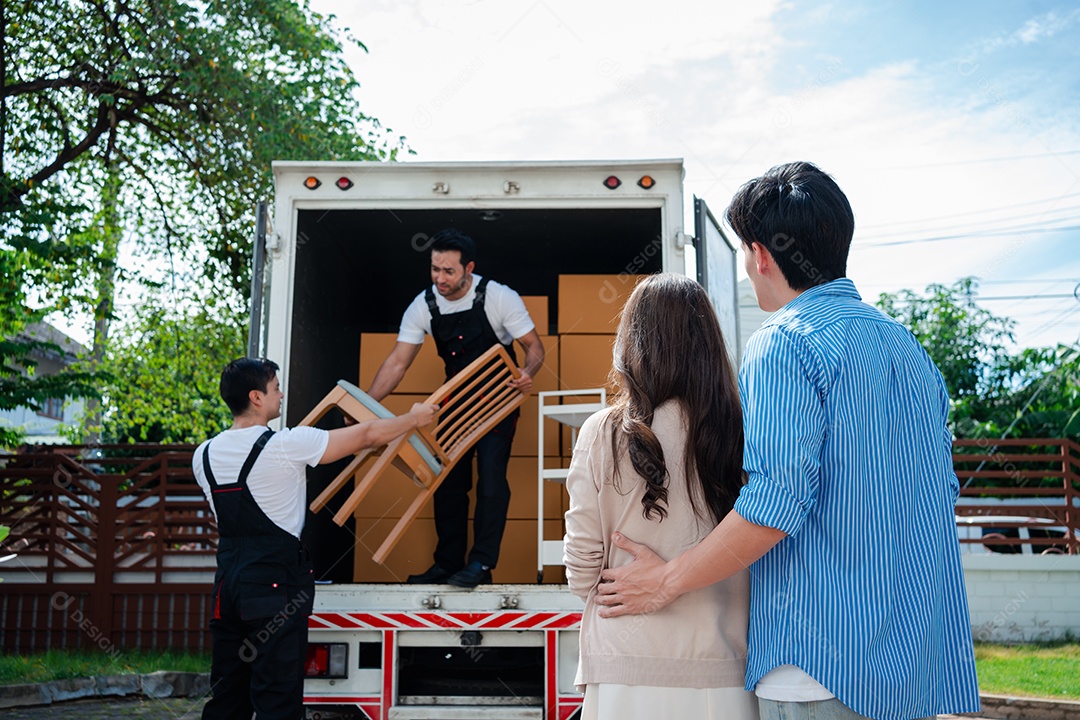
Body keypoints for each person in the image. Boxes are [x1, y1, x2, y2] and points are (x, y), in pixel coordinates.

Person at [594, 162, 981, 720]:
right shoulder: (906, 349)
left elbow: (775, 504)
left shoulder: (784, 344)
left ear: (760, 255)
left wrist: (665, 582)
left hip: (818, 664)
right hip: (909, 665)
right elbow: (939, 491)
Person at [194, 357, 438, 720]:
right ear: (256, 398)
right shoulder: (287, 444)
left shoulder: (204, 455)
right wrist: (414, 419)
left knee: (228, 694)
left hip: (227, 587)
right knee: (278, 697)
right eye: (276, 388)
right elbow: (368, 435)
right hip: (274, 587)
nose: (281, 394)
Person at [563, 273, 758, 720]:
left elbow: (581, 573)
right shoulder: (745, 430)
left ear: (632, 342)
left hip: (624, 666)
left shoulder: (602, 432)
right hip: (722, 665)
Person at [368, 228, 546, 588]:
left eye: (448, 271)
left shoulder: (499, 297)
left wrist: (527, 373)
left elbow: (534, 346)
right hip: (454, 402)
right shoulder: (423, 305)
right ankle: (447, 563)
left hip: (498, 398)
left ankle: (480, 563)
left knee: (492, 481)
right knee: (448, 483)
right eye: (435, 269)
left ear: (469, 268)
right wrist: (369, 402)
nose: (440, 278)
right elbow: (397, 363)